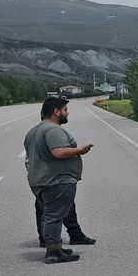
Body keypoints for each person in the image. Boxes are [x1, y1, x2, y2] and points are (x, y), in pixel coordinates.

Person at [24, 97, 93, 264]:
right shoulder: (52, 130)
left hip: (40, 180)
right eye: (65, 109)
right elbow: (59, 152)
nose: (67, 113)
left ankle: (54, 246)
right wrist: (80, 150)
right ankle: (53, 252)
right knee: (54, 215)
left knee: (49, 214)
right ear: (56, 111)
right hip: (56, 181)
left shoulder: (33, 131)